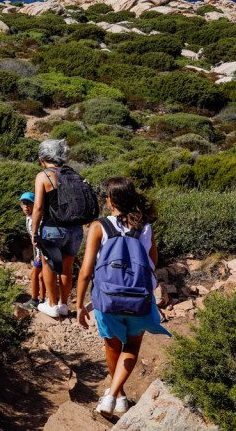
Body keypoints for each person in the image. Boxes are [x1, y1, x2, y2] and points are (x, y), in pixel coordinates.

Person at [75, 177, 171, 418]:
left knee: (112, 346)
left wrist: (79, 305)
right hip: (139, 299)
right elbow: (153, 261)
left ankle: (114, 396)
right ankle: (116, 396)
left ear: (111, 200)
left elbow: (86, 271)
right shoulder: (145, 226)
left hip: (107, 299)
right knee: (131, 346)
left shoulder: (99, 226)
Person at [30, 139, 97, 318]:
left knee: (49, 266)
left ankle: (51, 304)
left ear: (43, 156)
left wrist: (34, 231)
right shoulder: (73, 173)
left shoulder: (43, 176)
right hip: (75, 230)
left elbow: (37, 208)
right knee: (67, 269)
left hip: (52, 228)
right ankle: (64, 304)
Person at [18, 192, 46, 309]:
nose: (25, 206)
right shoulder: (29, 217)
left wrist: (39, 255)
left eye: (28, 203)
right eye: (23, 203)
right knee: (41, 276)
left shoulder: (36, 217)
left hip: (43, 251)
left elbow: (40, 237)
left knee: (35, 274)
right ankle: (43, 299)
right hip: (40, 251)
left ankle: (35, 300)